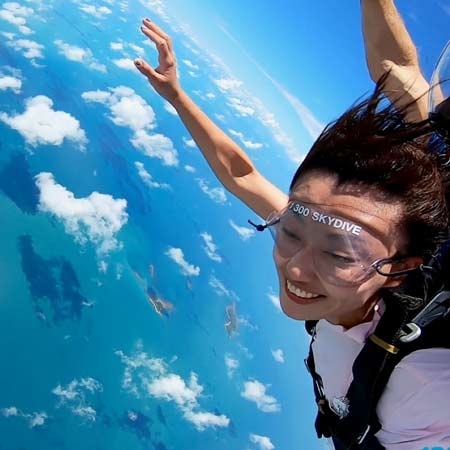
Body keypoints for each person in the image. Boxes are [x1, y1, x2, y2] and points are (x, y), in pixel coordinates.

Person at [133, 4, 450, 449]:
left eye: (339, 254)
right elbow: (242, 176)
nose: (297, 269)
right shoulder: (343, 228)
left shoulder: (429, 379)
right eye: (291, 230)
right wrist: (177, 96)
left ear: (399, 270)